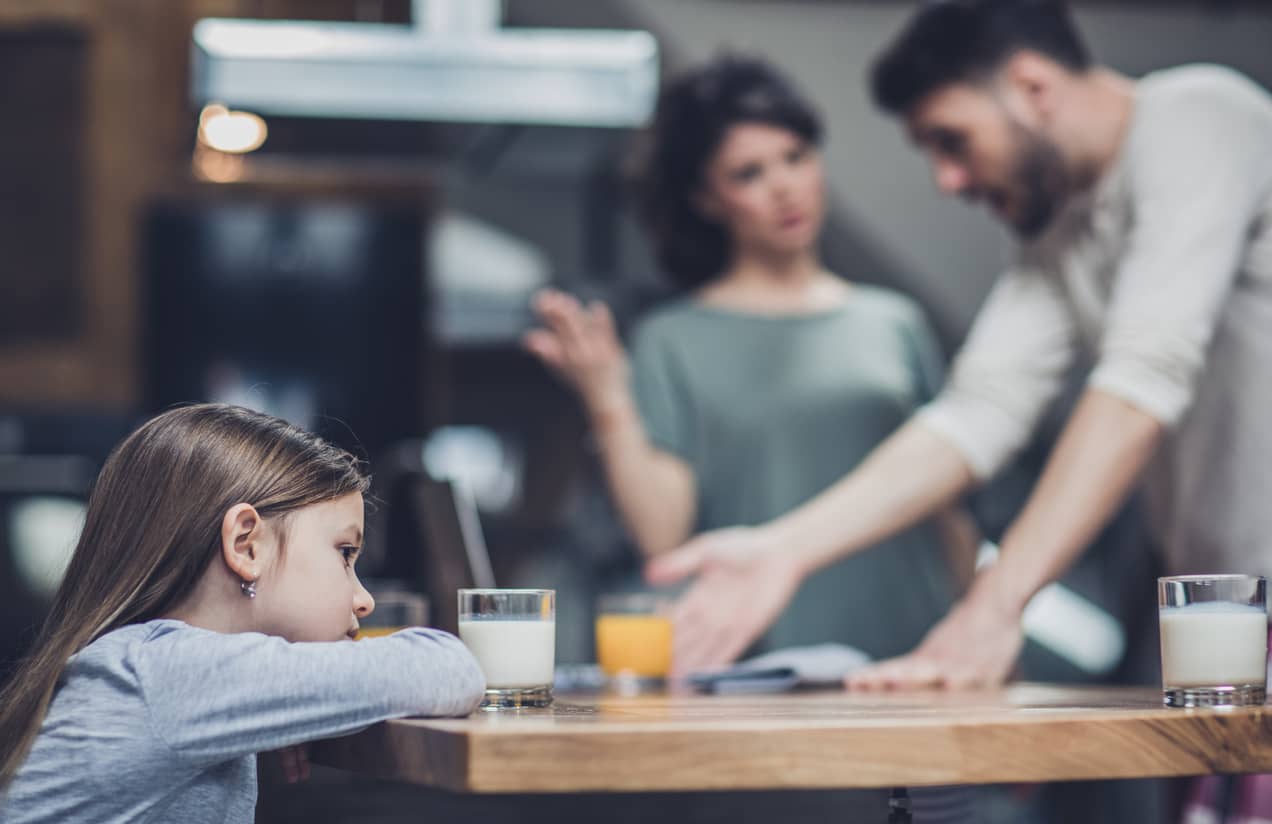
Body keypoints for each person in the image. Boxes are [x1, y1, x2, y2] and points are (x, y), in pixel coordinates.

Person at [648, 0, 1272, 689]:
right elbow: (979, 412)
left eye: (953, 140)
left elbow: (1142, 382)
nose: (948, 180)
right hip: (1225, 612)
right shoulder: (1057, 230)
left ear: (1033, 88)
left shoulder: (1200, 119)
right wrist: (783, 549)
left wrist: (994, 608)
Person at [525, 55, 978, 668]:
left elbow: (945, 500)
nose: (785, 187)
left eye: (796, 157)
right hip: (768, 663)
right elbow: (664, 538)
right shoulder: (673, 339)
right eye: (749, 173)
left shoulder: (894, 322)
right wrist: (607, 397)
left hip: (918, 652)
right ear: (707, 199)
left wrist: (984, 624)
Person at [0, 404, 486, 823]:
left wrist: (292, 703)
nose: (364, 599)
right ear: (245, 544)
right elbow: (449, 667)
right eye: (343, 553)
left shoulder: (155, 670)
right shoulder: (172, 673)